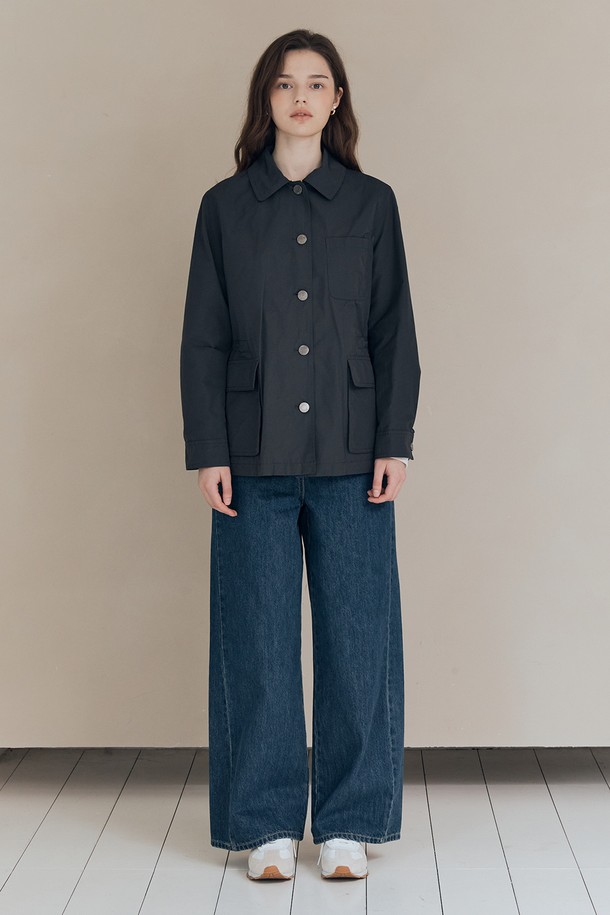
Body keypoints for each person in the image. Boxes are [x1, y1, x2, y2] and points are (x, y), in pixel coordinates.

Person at [179, 28, 421, 881]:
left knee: (358, 641)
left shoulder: (371, 204)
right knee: (256, 642)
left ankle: (350, 821)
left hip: (355, 453)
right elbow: (203, 338)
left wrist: (395, 440)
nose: (301, 97)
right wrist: (208, 448)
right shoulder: (224, 207)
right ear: (267, 99)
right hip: (251, 455)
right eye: (285, 84)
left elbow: (393, 332)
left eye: (317, 83)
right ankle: (266, 823)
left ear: (337, 99)